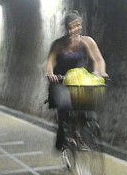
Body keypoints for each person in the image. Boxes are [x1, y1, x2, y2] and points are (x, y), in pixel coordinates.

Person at [43, 10, 107, 151]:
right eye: (72, 27)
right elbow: (49, 62)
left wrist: (99, 72)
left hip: (76, 79)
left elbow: (97, 59)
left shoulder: (86, 41)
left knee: (87, 103)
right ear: (67, 28)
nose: (75, 29)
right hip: (60, 81)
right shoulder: (58, 44)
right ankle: (62, 136)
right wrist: (50, 74)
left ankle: (84, 132)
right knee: (65, 106)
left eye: (78, 26)